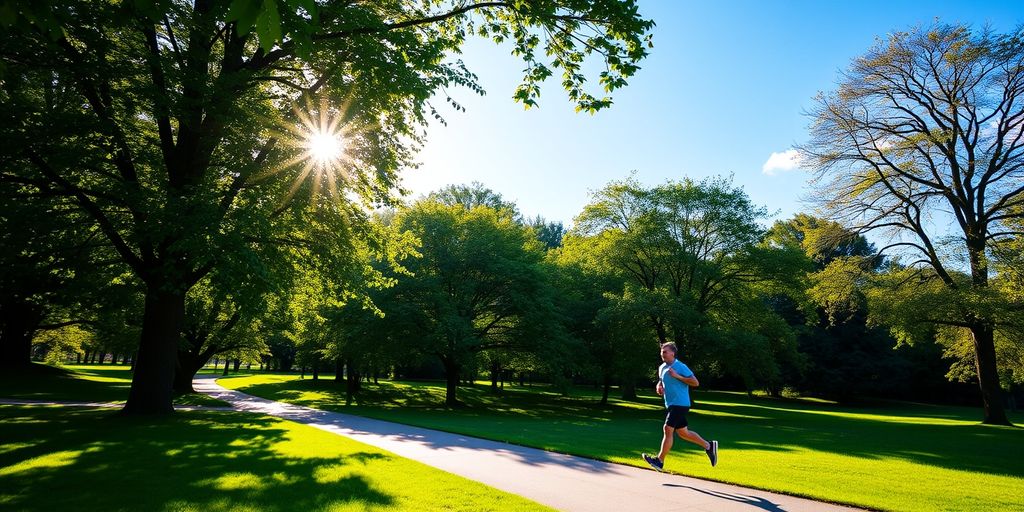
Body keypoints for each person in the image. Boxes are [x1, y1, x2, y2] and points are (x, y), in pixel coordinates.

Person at [642, 342, 717, 471]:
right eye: (661, 352)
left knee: (667, 429)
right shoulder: (661, 367)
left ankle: (659, 461)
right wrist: (659, 387)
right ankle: (709, 446)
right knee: (683, 433)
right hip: (671, 404)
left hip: (680, 404)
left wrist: (677, 376)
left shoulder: (680, 366)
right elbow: (661, 380)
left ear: (672, 353)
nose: (662, 354)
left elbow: (695, 382)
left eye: (665, 352)